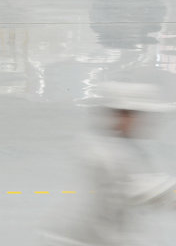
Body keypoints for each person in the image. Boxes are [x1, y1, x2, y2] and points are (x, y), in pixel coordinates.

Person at [44, 82, 176, 246]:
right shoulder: (103, 153)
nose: (146, 122)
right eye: (139, 115)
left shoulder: (114, 145)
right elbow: (142, 190)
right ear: (122, 115)